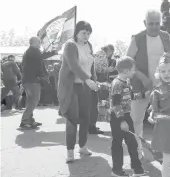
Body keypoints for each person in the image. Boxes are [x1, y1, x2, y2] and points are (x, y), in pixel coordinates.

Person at [126, 10, 170, 158]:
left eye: (157, 23)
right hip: (140, 86)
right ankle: (137, 151)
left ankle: (163, 151)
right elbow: (127, 62)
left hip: (163, 87)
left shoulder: (166, 37)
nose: (154, 26)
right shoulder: (137, 38)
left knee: (164, 120)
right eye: (151, 23)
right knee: (137, 120)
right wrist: (143, 78)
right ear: (145, 23)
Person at [57, 21, 99, 163]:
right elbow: (74, 65)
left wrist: (95, 80)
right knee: (72, 118)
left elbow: (91, 65)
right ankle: (70, 151)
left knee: (85, 117)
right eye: (83, 32)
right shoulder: (70, 45)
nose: (86, 36)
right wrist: (88, 80)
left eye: (88, 33)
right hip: (71, 87)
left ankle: (83, 146)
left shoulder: (89, 46)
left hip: (85, 86)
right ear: (77, 32)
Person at [109, 56, 148, 177]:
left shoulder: (125, 82)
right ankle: (116, 170)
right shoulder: (117, 84)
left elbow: (129, 96)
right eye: (132, 70)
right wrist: (121, 121)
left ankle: (137, 170)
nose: (133, 72)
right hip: (118, 118)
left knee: (132, 143)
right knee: (117, 143)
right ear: (125, 70)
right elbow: (116, 104)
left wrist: (142, 94)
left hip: (125, 116)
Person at [20, 37, 59, 129]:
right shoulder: (32, 51)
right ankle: (25, 121)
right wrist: (54, 52)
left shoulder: (31, 52)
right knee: (34, 100)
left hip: (29, 79)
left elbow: (39, 61)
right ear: (33, 42)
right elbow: (42, 56)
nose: (40, 43)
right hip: (31, 80)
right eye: (39, 42)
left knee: (31, 101)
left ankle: (30, 121)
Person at [90, 44, 115, 134]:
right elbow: (99, 69)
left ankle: (91, 125)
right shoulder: (102, 55)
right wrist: (108, 70)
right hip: (97, 80)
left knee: (94, 103)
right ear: (109, 50)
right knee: (95, 103)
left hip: (93, 80)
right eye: (112, 52)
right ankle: (91, 126)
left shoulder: (97, 53)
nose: (111, 54)